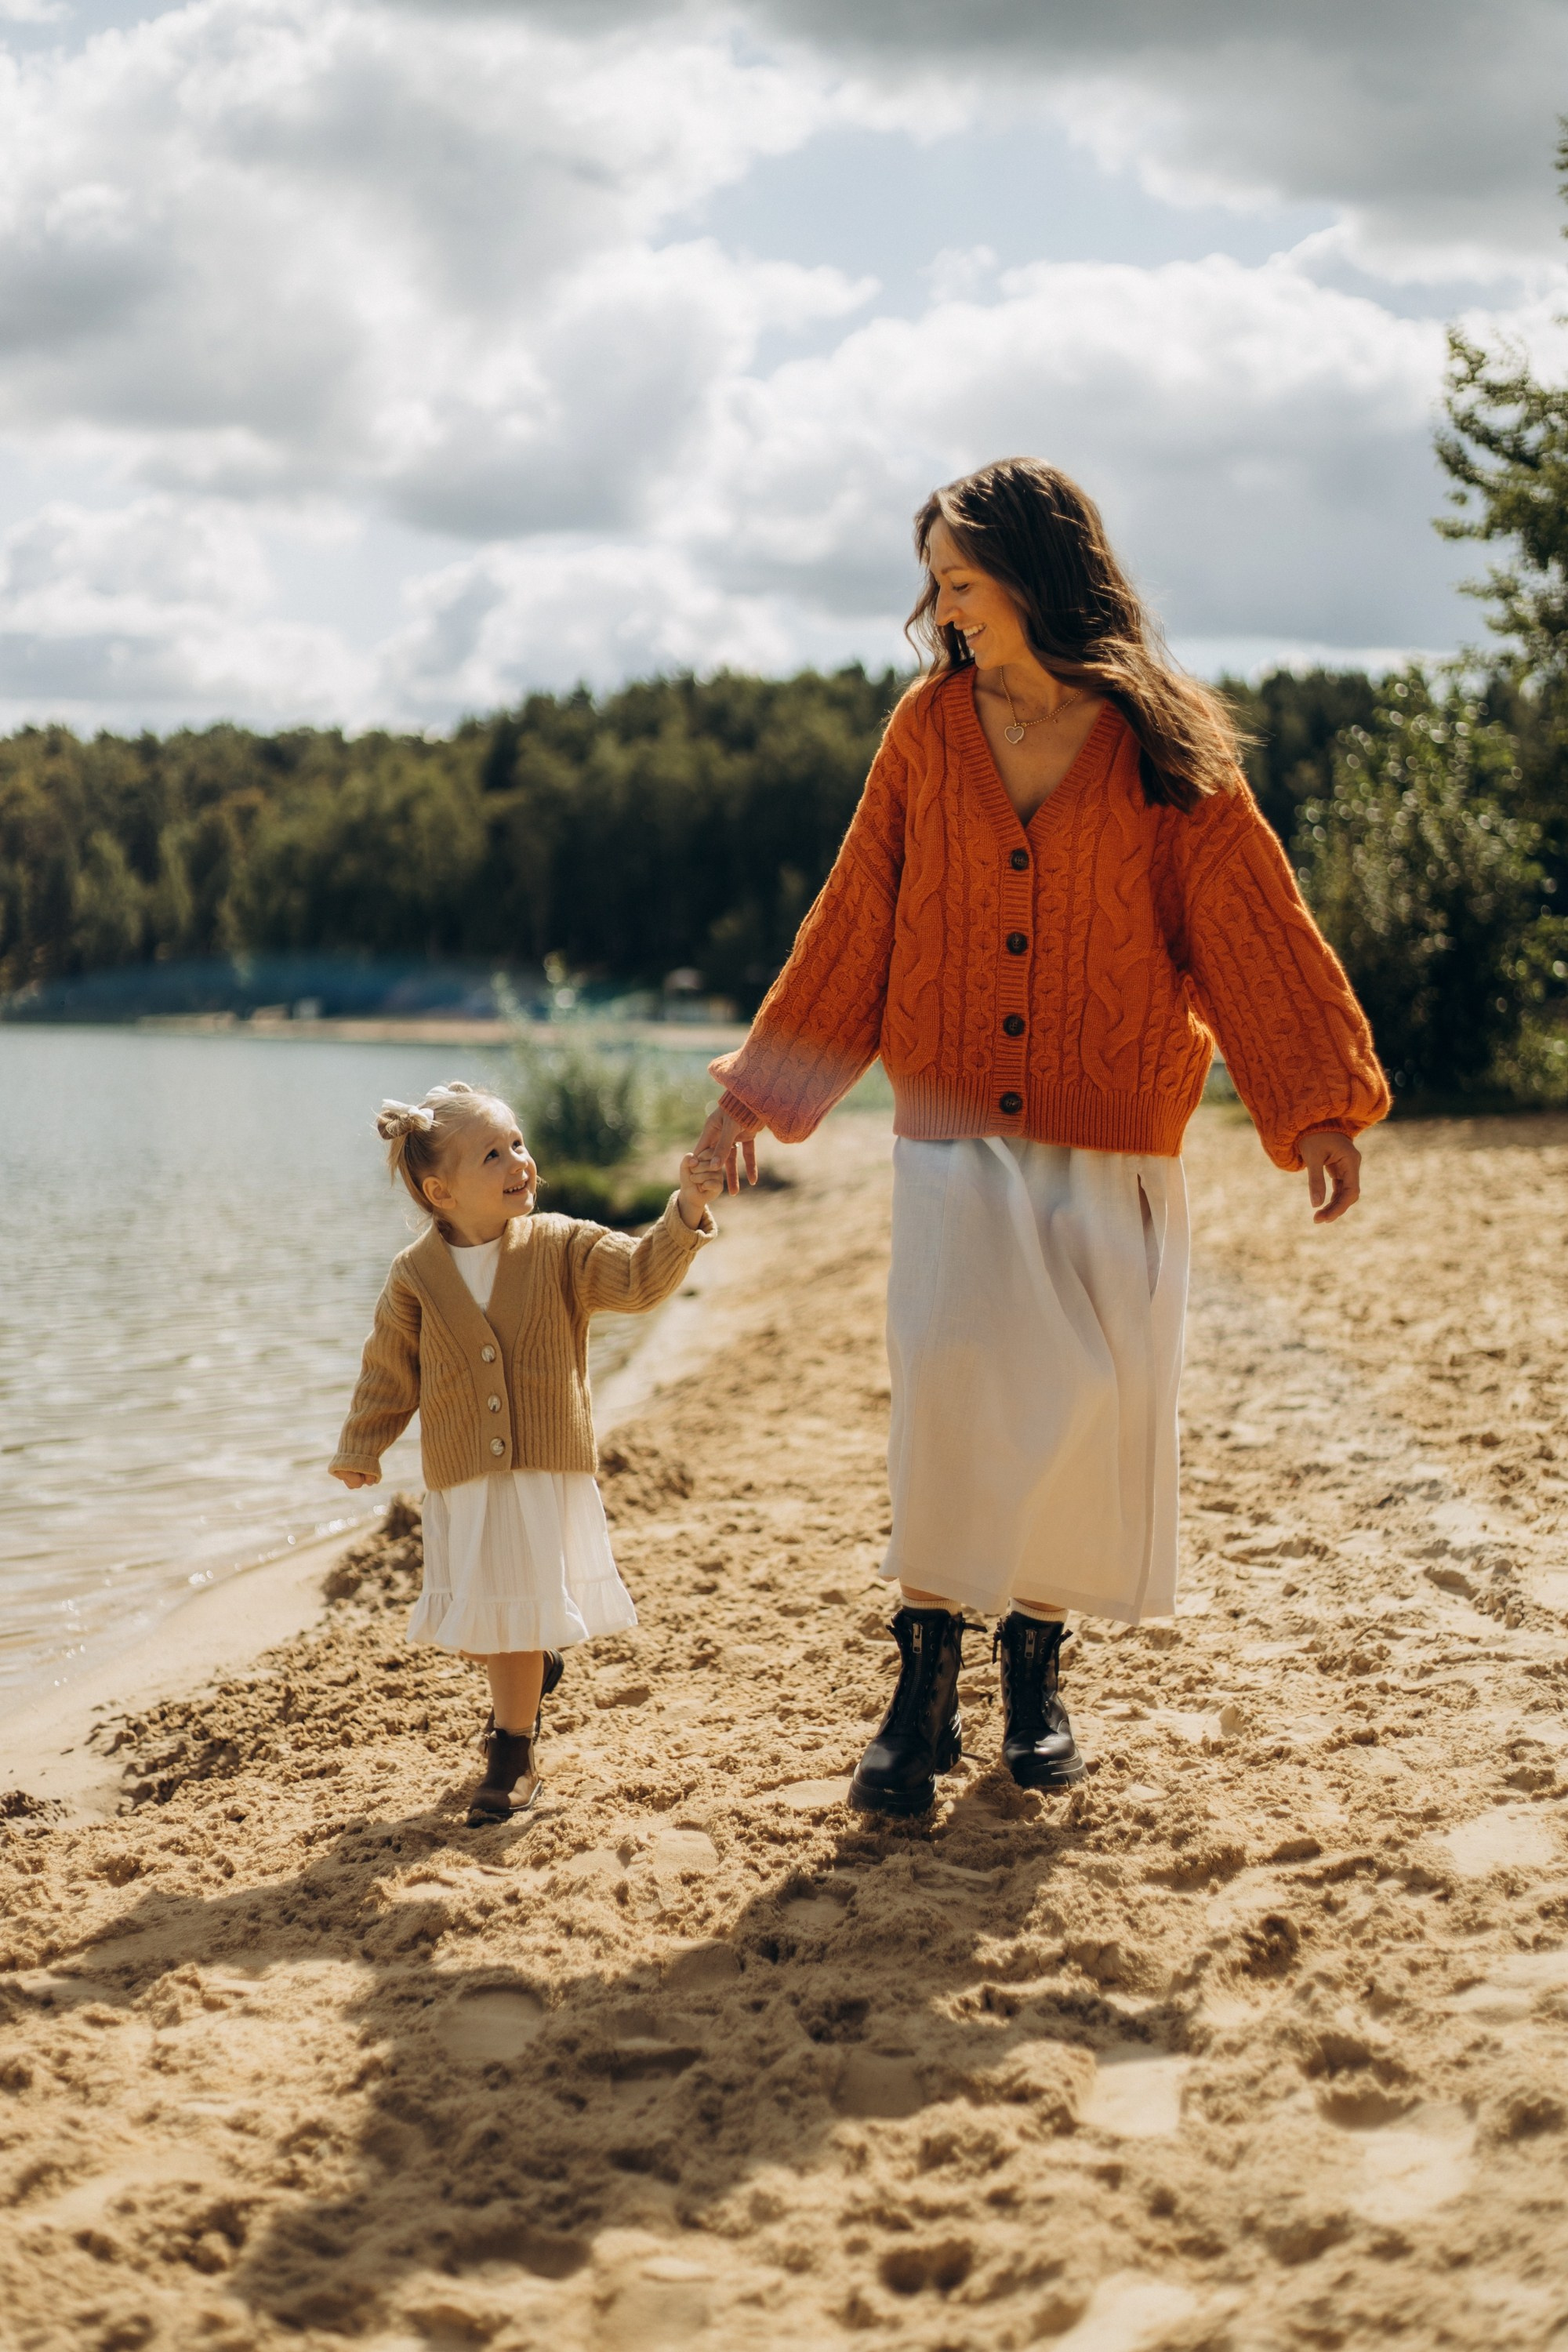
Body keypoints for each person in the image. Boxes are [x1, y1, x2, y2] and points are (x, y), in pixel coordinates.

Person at [699, 456, 1388, 1819]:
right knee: (953, 1385)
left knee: (1087, 1405)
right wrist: (751, 1102)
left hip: (1114, 1134)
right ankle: (924, 1680)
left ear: (1035, 571)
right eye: (936, 578)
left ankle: (1036, 1668)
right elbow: (855, 922)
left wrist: (1316, 1101)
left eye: (963, 572)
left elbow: (1249, 924)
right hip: (954, 1129)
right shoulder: (925, 730)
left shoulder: (1158, 737)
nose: (941, 599)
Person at [331, 1080, 722, 1825]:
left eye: (518, 1144)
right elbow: (390, 1369)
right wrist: (364, 1445)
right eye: (494, 1153)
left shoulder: (562, 1245)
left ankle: (512, 1752)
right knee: (487, 1623)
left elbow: (640, 1279)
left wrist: (688, 1212)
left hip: (542, 1465)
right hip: (463, 1476)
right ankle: (532, 1668)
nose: (520, 1161)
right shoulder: (414, 1275)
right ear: (440, 1190)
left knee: (507, 1616)